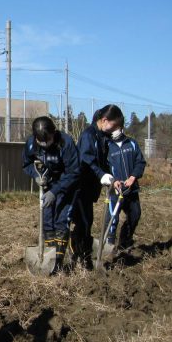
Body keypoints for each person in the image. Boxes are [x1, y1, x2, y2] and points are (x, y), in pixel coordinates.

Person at [22, 116, 80, 273]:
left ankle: (59, 262)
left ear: (54, 133)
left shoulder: (65, 143)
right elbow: (27, 163)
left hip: (67, 186)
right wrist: (36, 175)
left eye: (47, 141)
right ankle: (48, 258)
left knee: (61, 222)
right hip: (47, 184)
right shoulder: (31, 143)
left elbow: (74, 172)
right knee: (47, 221)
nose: (45, 145)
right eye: (41, 142)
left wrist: (55, 191)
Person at [72, 104, 125, 268]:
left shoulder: (102, 137)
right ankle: (79, 254)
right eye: (114, 126)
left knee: (87, 222)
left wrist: (112, 178)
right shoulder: (89, 135)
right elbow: (87, 159)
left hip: (89, 188)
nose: (114, 130)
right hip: (79, 186)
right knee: (84, 223)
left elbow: (103, 162)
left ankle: (83, 254)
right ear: (104, 120)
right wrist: (101, 174)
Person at [105, 127, 146, 249]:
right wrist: (113, 180)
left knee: (135, 214)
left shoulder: (131, 143)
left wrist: (133, 177)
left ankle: (125, 241)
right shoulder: (106, 146)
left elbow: (140, 162)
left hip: (131, 189)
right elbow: (104, 167)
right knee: (112, 218)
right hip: (115, 190)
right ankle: (109, 246)